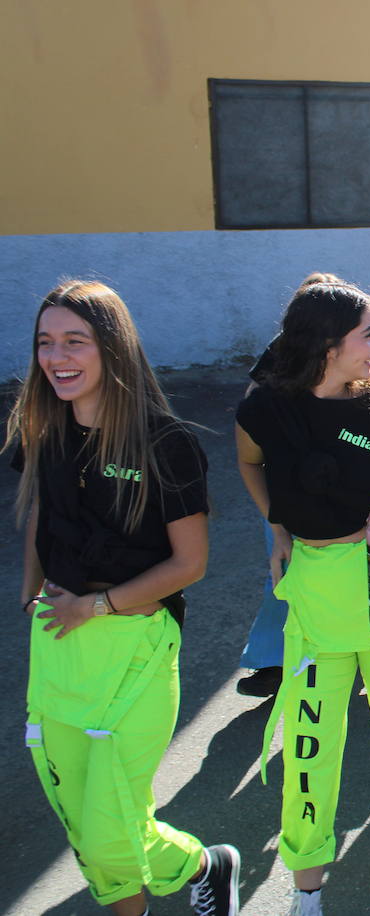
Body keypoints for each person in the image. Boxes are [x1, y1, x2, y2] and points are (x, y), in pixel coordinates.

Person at [12, 281, 240, 916]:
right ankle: (203, 867)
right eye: (45, 343)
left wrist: (98, 605)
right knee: (81, 821)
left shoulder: (164, 442)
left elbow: (189, 564)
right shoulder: (44, 428)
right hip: (58, 639)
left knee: (111, 823)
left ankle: (194, 870)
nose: (56, 357)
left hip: (136, 645)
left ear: (111, 349)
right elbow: (40, 516)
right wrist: (29, 593)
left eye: (74, 342)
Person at [236, 279, 370, 910]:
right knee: (308, 744)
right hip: (312, 601)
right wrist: (275, 523)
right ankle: (306, 888)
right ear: (328, 346)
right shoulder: (269, 409)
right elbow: (249, 460)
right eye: (369, 333)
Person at [235, 272, 345, 700]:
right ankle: (272, 662)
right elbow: (251, 409)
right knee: (281, 577)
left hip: (336, 490)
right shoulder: (279, 353)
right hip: (285, 489)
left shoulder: (349, 352)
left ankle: (341, 654)